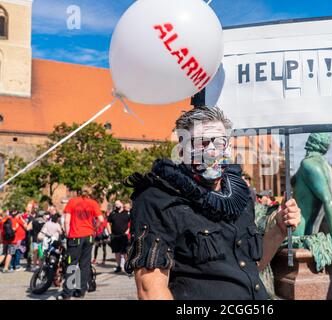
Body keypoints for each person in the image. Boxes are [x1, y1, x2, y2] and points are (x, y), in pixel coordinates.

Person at [125, 106, 301, 300]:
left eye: (219, 142)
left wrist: (278, 228)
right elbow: (151, 292)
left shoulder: (238, 195)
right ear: (182, 148)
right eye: (201, 142)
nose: (211, 151)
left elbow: (252, 265)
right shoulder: (159, 198)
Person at [57, 188, 104, 300]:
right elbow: (101, 219)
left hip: (75, 236)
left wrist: (67, 233)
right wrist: (94, 229)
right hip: (89, 236)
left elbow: (67, 221)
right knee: (85, 265)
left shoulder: (72, 202)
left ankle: (67, 294)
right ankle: (81, 291)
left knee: (71, 264)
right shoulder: (93, 203)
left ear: (78, 193)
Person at [107, 200, 130, 273]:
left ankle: (127, 266)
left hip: (124, 235)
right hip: (115, 235)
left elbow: (132, 222)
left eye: (118, 204)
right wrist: (110, 233)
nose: (116, 205)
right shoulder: (113, 213)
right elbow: (107, 223)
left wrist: (128, 231)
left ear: (122, 204)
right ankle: (118, 266)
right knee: (117, 252)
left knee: (125, 252)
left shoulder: (127, 213)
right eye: (115, 204)